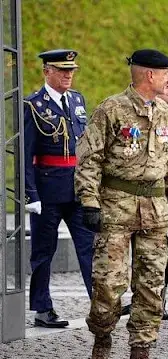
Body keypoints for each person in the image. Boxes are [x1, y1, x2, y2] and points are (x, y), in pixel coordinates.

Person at [75, 49, 168, 359]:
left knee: (151, 285)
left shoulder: (166, 113)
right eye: (164, 73)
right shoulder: (111, 110)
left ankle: (141, 354)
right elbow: (88, 159)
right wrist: (89, 201)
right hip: (116, 208)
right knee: (109, 285)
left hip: (155, 211)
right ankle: (102, 339)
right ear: (150, 75)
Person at [24, 49, 93, 328]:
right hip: (48, 190)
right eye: (62, 70)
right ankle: (42, 308)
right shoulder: (33, 105)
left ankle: (101, 303)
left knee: (90, 247)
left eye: (71, 70)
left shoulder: (77, 100)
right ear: (46, 71)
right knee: (44, 251)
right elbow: (27, 153)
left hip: (76, 188)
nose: (68, 75)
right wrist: (31, 194)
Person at [120, 69, 168, 320]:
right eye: (167, 83)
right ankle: (144, 298)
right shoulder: (142, 111)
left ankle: (158, 299)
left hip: (167, 195)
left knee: (161, 252)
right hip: (134, 198)